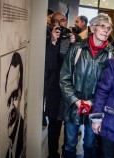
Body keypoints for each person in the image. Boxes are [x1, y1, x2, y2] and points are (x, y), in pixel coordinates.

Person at [58, 13, 114, 158]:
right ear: (93, 28)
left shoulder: (111, 55)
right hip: (73, 106)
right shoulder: (77, 49)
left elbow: (110, 86)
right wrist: (76, 101)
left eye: (108, 28)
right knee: (69, 144)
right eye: (102, 26)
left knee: (90, 145)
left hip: (95, 108)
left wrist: (93, 102)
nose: (106, 30)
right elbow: (64, 78)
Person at [44, 12, 78, 158]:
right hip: (55, 89)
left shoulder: (75, 39)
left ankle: (68, 151)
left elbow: (78, 64)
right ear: (52, 25)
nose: (59, 24)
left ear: (66, 22)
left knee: (71, 123)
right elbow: (49, 66)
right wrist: (52, 42)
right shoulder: (47, 40)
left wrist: (74, 43)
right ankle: (53, 154)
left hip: (72, 87)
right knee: (54, 125)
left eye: (62, 21)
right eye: (55, 22)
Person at [5, 52, 25, 158]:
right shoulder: (6, 151)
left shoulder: (25, 137)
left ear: (21, 93)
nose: (12, 105)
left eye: (15, 96)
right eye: (8, 100)